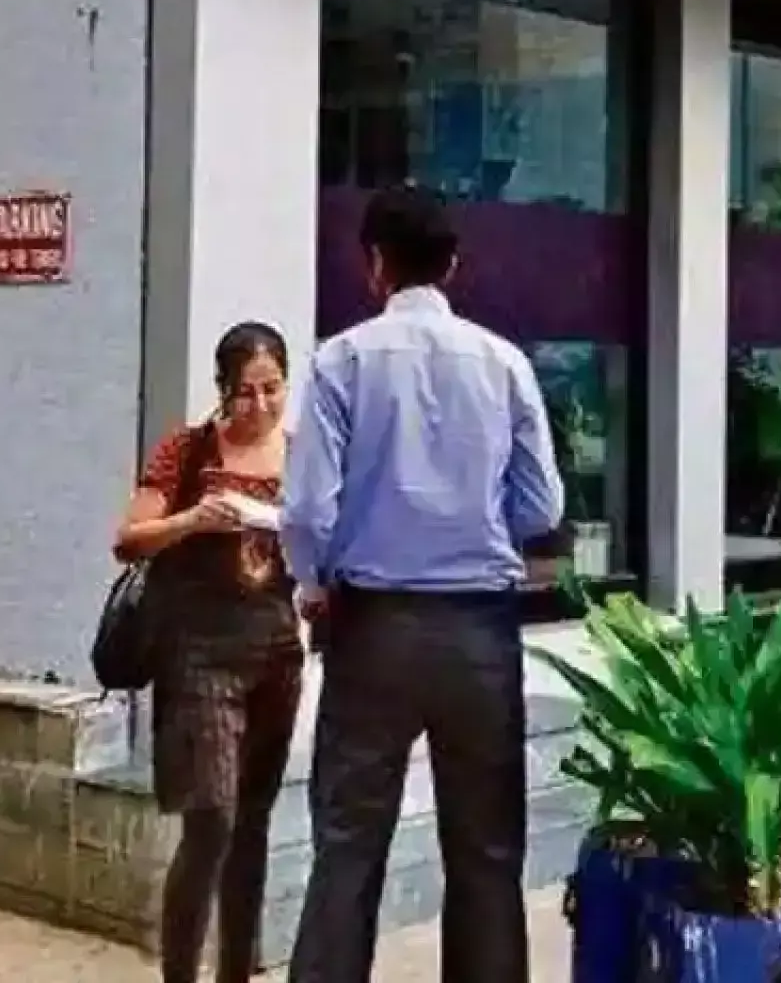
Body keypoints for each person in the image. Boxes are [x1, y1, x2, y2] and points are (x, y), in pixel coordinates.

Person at [281, 186, 566, 983]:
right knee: (487, 852)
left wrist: (312, 583)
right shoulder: (505, 364)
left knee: (347, 848)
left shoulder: (341, 360)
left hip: (372, 631)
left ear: (374, 264)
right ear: (453, 264)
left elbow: (306, 510)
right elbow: (542, 507)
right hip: (480, 634)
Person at [113, 323, 304, 983]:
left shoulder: (302, 456)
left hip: (276, 652)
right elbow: (129, 538)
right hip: (201, 654)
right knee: (211, 819)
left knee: (252, 823)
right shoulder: (188, 450)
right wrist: (193, 519)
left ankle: (236, 971)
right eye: (246, 392)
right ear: (223, 390)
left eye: (273, 389)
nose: (260, 405)